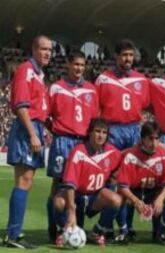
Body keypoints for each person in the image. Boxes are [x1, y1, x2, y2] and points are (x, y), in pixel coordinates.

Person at [95, 39, 150, 239]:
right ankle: (109, 226)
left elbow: (148, 104)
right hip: (112, 131)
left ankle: (127, 226)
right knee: (112, 179)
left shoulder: (142, 80)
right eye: (124, 55)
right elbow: (96, 108)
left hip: (133, 130)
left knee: (131, 181)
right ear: (116, 57)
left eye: (130, 55)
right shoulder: (103, 79)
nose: (128, 59)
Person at [4, 35, 52, 249]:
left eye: (50, 50)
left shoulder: (39, 74)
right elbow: (21, 106)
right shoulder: (26, 70)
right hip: (27, 129)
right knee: (23, 181)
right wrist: (33, 134)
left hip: (35, 128)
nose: (47, 53)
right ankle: (13, 234)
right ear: (34, 50)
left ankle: (14, 231)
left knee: (27, 181)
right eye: (43, 49)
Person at [46, 50, 99, 242]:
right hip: (62, 141)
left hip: (83, 143)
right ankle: (54, 226)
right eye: (75, 64)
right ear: (68, 64)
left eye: (82, 65)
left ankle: (75, 224)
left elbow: (94, 120)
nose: (79, 68)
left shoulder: (91, 90)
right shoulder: (56, 88)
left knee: (78, 186)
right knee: (57, 183)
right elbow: (46, 116)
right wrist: (59, 132)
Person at [53, 118, 122, 247]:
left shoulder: (112, 152)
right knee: (58, 202)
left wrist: (113, 177)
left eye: (104, 132)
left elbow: (124, 159)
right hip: (77, 196)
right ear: (90, 132)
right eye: (97, 131)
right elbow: (69, 184)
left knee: (116, 200)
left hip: (95, 197)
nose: (100, 135)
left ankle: (97, 231)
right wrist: (71, 211)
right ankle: (65, 231)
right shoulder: (78, 152)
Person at [116, 121, 165, 245]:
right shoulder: (131, 155)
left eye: (156, 139)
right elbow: (122, 186)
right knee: (121, 197)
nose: (154, 143)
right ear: (142, 139)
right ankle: (125, 231)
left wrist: (160, 199)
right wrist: (135, 200)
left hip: (154, 192)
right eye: (150, 138)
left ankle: (160, 232)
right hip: (135, 192)